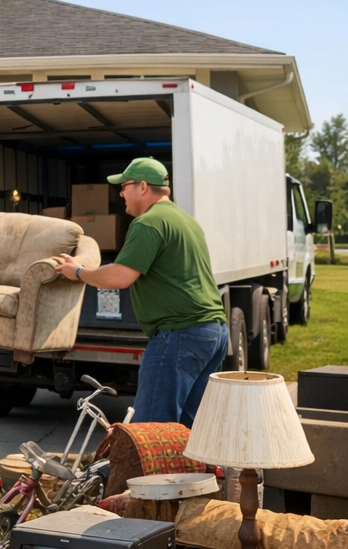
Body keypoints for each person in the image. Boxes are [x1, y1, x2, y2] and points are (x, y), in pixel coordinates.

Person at [52, 157, 227, 425]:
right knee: (187, 427)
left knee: (152, 426)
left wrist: (79, 272)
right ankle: (191, 468)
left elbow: (121, 276)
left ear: (143, 186)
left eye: (125, 186)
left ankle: (154, 470)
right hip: (213, 333)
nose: (120, 192)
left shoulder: (148, 222)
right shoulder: (186, 221)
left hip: (179, 334)